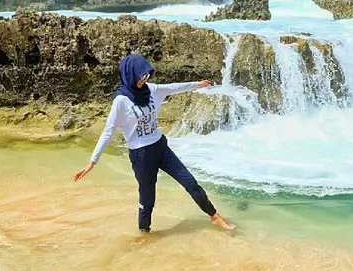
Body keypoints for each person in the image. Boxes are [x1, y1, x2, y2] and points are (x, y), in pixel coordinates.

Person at [73, 54, 236, 233]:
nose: (145, 79)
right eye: (142, 76)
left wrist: (197, 84)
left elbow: (173, 88)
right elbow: (108, 131)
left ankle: (214, 217)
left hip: (160, 147)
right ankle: (144, 233)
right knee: (147, 199)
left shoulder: (151, 89)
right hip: (141, 155)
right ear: (131, 74)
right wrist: (92, 162)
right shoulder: (121, 101)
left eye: (147, 75)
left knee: (191, 183)